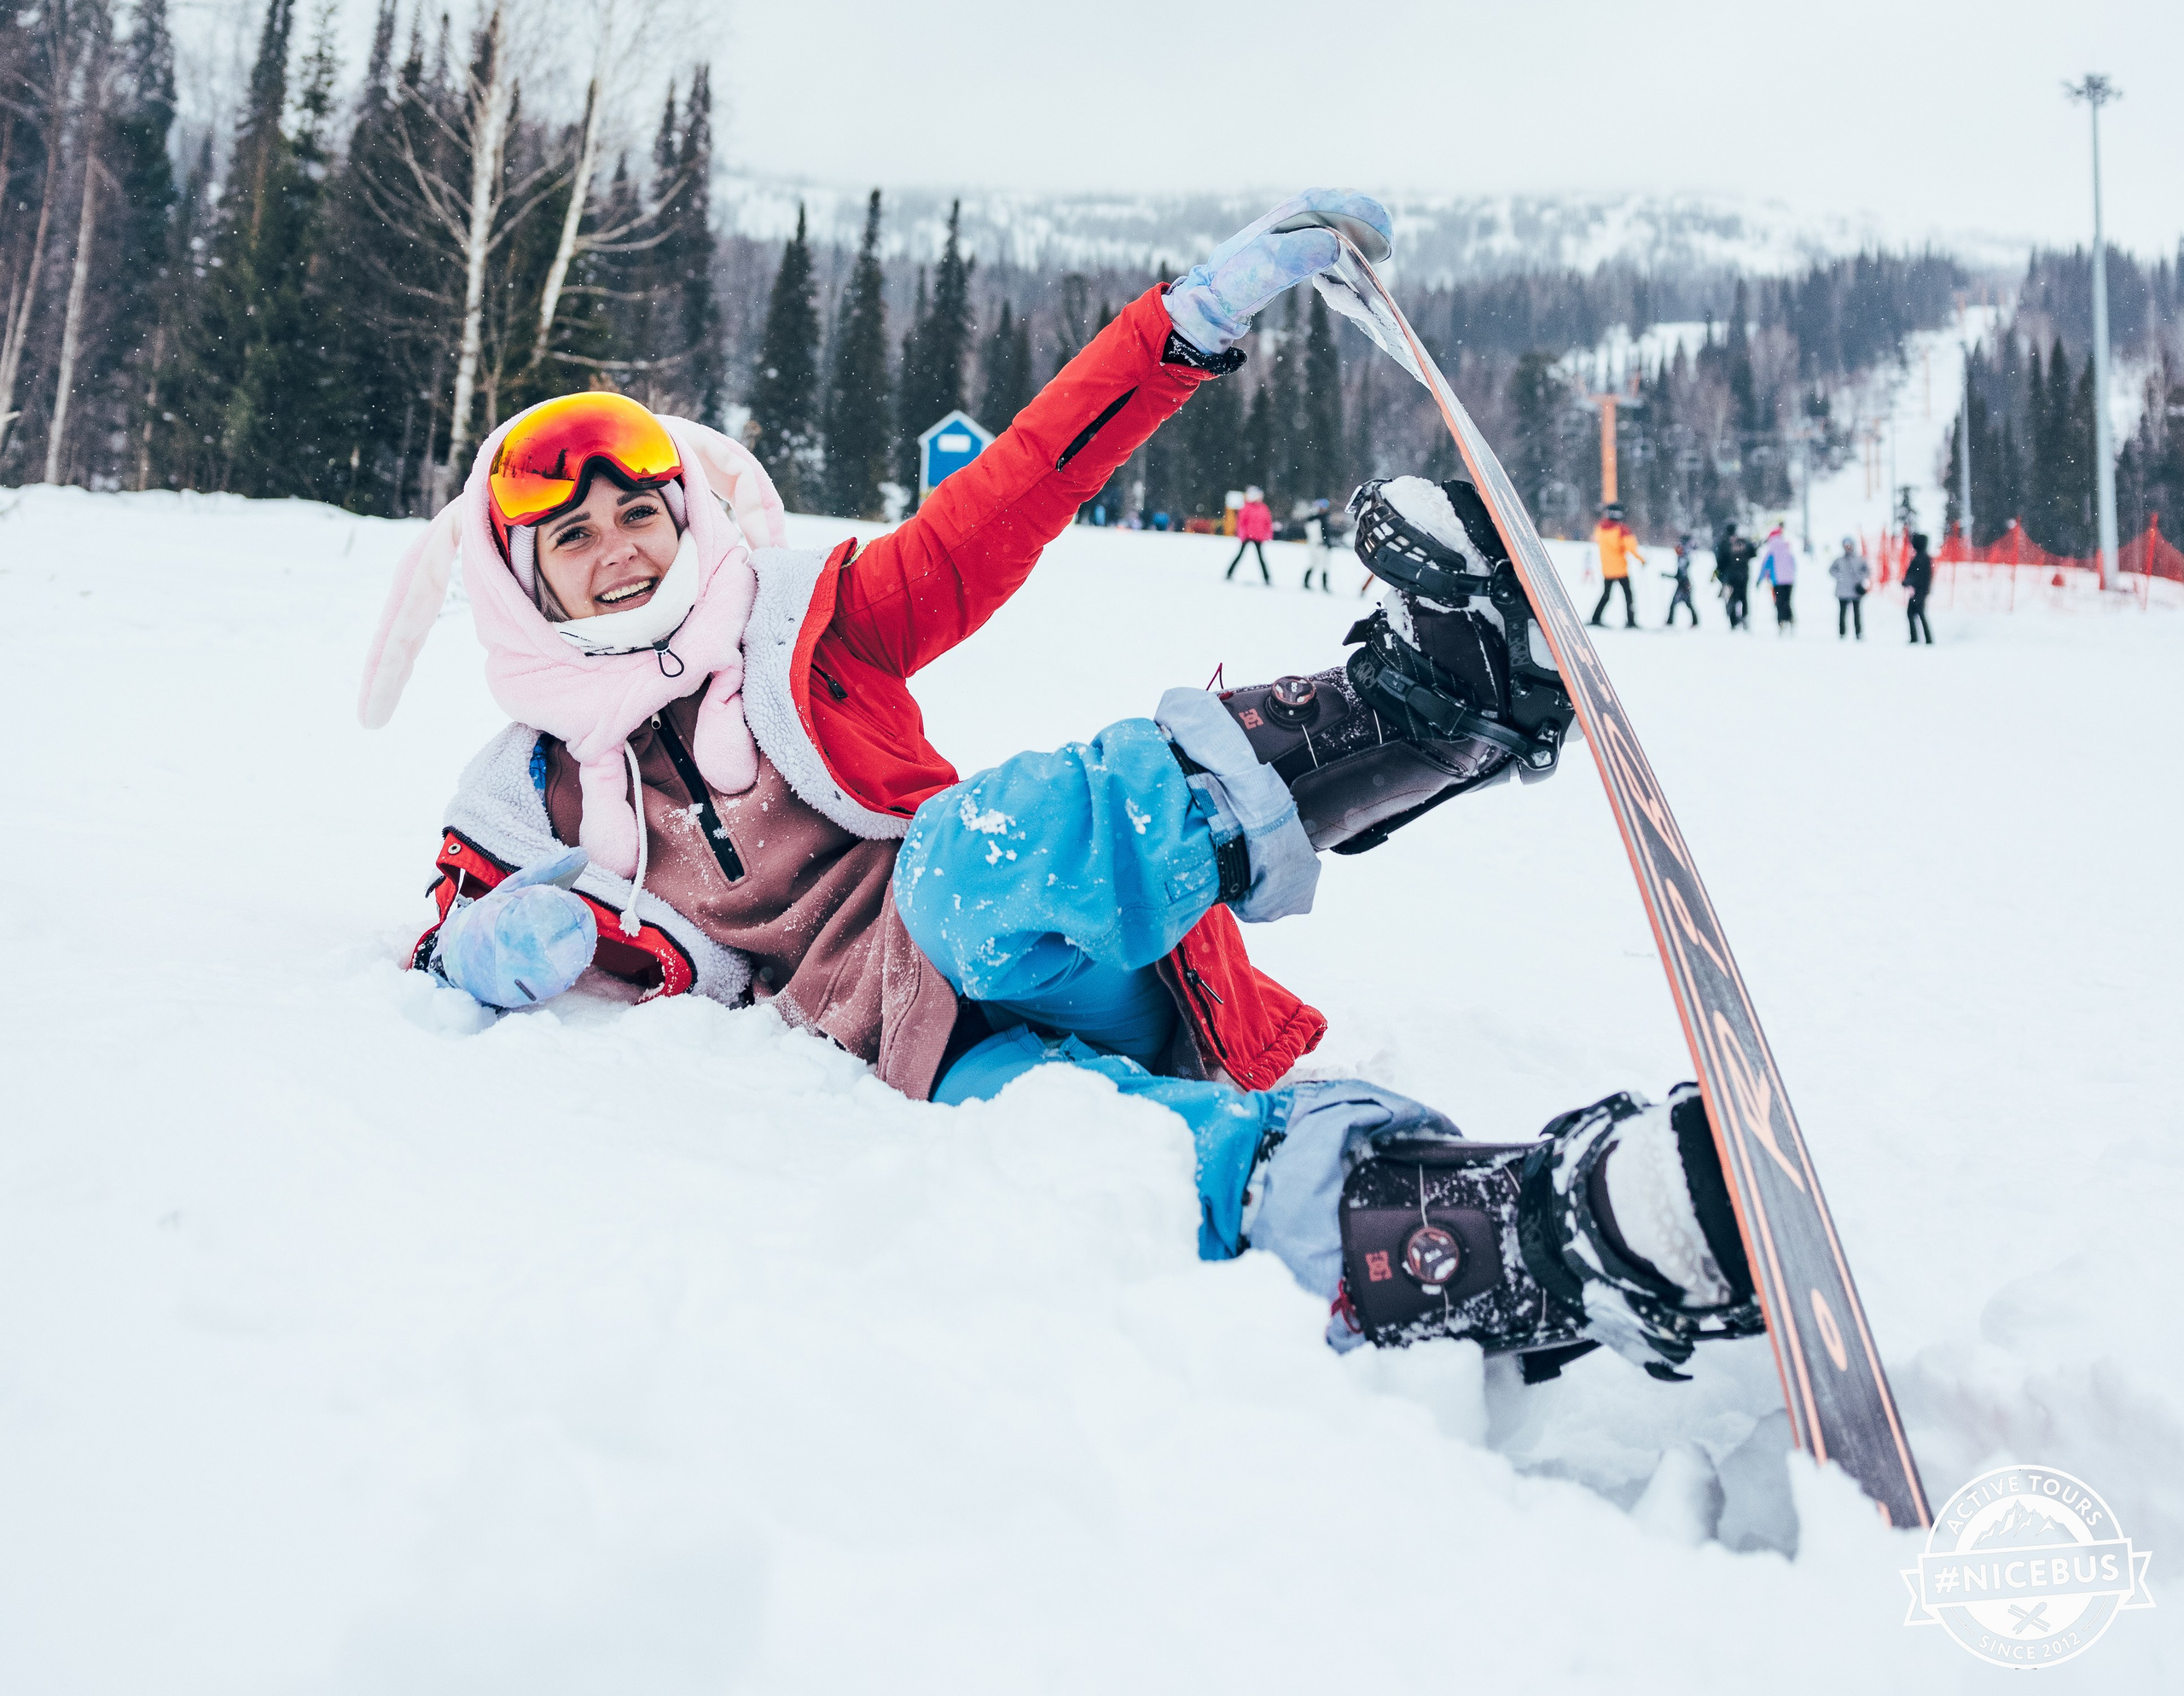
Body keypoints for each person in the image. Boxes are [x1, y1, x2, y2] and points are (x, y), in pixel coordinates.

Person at [360, 189, 1762, 1387]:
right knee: (1086, 1152)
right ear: (516, 578)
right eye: (575, 535)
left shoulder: (805, 623)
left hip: (1043, 924)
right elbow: (444, 929)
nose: (620, 553)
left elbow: (1007, 495)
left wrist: (1183, 328)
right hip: (919, 1051)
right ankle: (1540, 1232)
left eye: (640, 515)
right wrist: (484, 948)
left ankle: (1427, 709)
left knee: (961, 866)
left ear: (689, 515)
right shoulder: (525, 795)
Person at [1587, 502, 1645, 628]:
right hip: (1620, 569)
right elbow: (1631, 548)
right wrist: (1642, 559)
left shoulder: (1600, 527)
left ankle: (1595, 618)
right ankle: (1631, 621)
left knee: (1606, 595)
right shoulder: (1622, 529)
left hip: (1606, 568)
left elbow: (1596, 540)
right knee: (1628, 595)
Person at [1226, 485, 1275, 583]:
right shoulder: (1247, 507)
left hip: (1259, 536)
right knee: (1240, 555)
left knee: (1261, 558)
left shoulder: (1263, 508)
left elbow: (1267, 522)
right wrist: (1242, 534)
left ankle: (1267, 578)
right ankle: (1229, 573)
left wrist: (1268, 534)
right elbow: (1241, 522)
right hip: (1248, 536)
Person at [1713, 521, 1755, 630]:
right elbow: (1753, 553)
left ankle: (1733, 621)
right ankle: (1744, 617)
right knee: (1744, 597)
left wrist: (1719, 576)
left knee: (1731, 598)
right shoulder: (1743, 542)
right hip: (1744, 574)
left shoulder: (1723, 543)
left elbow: (1720, 561)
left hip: (1730, 576)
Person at [1756, 523, 1797, 631]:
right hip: (1789, 580)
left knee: (1779, 601)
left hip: (1777, 580)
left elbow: (1765, 566)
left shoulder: (1772, 550)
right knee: (1787, 600)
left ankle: (1781, 621)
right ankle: (1790, 619)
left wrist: (1760, 579)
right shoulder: (1786, 547)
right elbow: (1793, 564)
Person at [1829, 537, 1870, 640]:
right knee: (1842, 613)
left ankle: (1858, 633)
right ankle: (1842, 633)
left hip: (1855, 590)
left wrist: (1860, 577)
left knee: (1857, 613)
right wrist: (1839, 576)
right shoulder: (1839, 560)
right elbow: (1831, 570)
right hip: (1842, 590)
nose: (1848, 548)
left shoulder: (1860, 559)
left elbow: (1867, 571)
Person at [1903, 531, 1935, 645]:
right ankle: (1921, 638)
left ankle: (1923, 639)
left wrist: (1909, 582)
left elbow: (1916, 575)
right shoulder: (1922, 557)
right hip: (1919, 590)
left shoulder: (1921, 558)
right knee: (1915, 613)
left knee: (1917, 613)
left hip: (1919, 591)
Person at [1663, 534, 1699, 628]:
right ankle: (1695, 622)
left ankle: (1671, 622)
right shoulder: (1683, 557)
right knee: (1687, 603)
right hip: (1684, 583)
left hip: (1684, 584)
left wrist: (1682, 582)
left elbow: (1681, 574)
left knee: (1678, 603)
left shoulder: (1683, 558)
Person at [1301, 499, 1333, 592]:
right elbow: (1318, 534)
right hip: (1318, 545)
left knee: (1323, 565)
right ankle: (1308, 583)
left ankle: (1323, 585)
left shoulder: (1320, 519)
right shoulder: (1317, 520)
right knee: (1316, 564)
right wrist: (1324, 542)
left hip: (1319, 545)